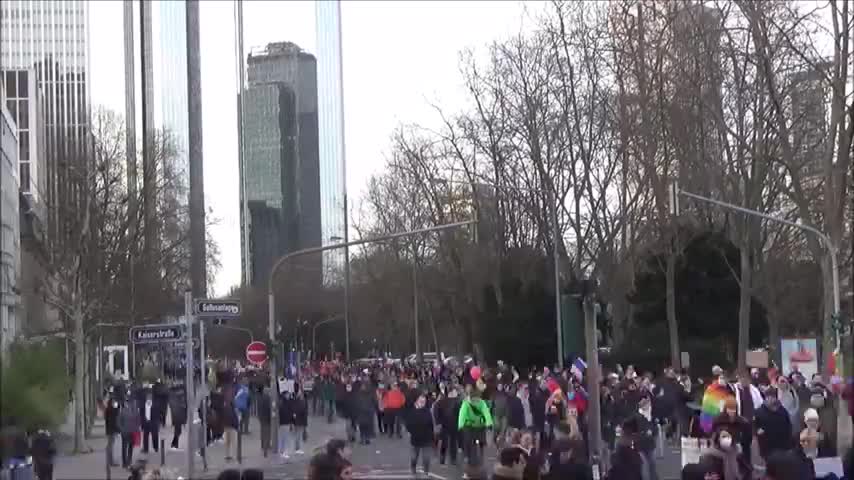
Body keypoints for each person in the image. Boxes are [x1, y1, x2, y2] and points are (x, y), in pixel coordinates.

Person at [459, 381, 494, 469]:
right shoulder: (466, 403)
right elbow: (462, 414)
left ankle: (481, 454)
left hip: (479, 425)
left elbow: (486, 412)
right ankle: (467, 455)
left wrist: (489, 423)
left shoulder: (482, 403)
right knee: (468, 440)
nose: (476, 400)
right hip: (469, 425)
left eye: (477, 399)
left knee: (482, 440)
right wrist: (461, 425)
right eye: (474, 399)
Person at [755, 388, 792, 461]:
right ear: (765, 398)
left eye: (773, 397)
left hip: (782, 446)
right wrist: (758, 431)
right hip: (767, 448)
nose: (770, 399)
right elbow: (755, 426)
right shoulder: (759, 412)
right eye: (768, 397)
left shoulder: (782, 411)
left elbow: (788, 426)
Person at [407, 393, 435, 477]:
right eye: (421, 401)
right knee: (414, 457)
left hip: (426, 439)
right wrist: (412, 432)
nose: (422, 403)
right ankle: (413, 468)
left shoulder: (428, 411)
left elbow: (431, 424)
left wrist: (432, 436)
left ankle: (426, 471)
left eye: (424, 401)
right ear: (416, 402)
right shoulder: (412, 412)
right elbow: (408, 425)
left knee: (426, 458)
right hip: (415, 439)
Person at [434, 385, 462, 465]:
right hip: (448, 425)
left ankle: (447, 459)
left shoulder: (456, 401)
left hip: (449, 425)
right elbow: (436, 410)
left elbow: (436, 411)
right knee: (447, 443)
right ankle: (450, 459)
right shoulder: (455, 401)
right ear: (452, 392)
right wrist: (438, 421)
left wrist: (438, 421)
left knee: (448, 443)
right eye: (455, 391)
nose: (456, 393)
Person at [119, 397, 141, 468]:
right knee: (129, 447)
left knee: (125, 447)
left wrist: (121, 429)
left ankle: (126, 462)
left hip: (127, 431)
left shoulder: (123, 411)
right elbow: (138, 421)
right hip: (130, 431)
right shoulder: (134, 411)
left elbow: (119, 421)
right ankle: (128, 461)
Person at [105, 389, 121, 466]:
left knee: (110, 444)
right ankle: (110, 461)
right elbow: (116, 414)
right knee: (110, 445)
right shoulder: (114, 404)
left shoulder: (108, 405)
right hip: (112, 427)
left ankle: (109, 460)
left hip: (109, 427)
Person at [168, 385, 186, 451]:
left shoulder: (174, 396)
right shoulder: (178, 397)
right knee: (178, 431)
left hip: (177, 416)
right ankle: (174, 445)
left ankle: (175, 445)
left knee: (178, 431)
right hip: (178, 416)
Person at [292, 387, 309, 454]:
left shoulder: (295, 401)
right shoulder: (301, 402)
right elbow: (303, 412)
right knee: (298, 435)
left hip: (296, 421)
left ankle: (297, 448)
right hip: (300, 421)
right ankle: (297, 449)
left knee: (297, 434)